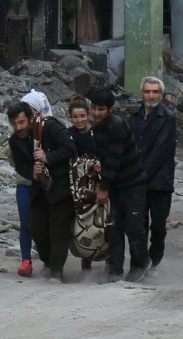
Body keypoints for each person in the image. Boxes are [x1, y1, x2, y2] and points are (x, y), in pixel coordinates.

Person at [7, 99, 76, 283]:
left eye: (21, 122)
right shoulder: (15, 141)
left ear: (31, 118)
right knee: (37, 229)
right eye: (15, 124)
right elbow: (20, 166)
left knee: (58, 231)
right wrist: (34, 174)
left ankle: (56, 271)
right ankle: (47, 261)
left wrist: (48, 157)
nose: (19, 127)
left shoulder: (49, 127)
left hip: (60, 188)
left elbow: (69, 147)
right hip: (38, 190)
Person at [87, 87, 149, 283]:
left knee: (134, 227)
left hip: (132, 185)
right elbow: (103, 158)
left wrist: (103, 187)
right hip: (114, 185)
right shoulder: (96, 129)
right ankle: (115, 270)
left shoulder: (117, 126)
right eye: (95, 108)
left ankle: (140, 265)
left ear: (110, 109)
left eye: (101, 109)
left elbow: (114, 160)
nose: (97, 113)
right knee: (112, 229)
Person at [130, 76, 176, 271]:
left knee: (157, 226)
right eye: (148, 91)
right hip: (137, 181)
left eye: (155, 92)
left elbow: (160, 152)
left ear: (161, 95)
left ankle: (154, 259)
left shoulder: (167, 118)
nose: (151, 95)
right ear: (142, 93)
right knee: (138, 226)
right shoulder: (134, 117)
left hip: (159, 182)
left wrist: (140, 175)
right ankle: (140, 264)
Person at [67, 96, 103, 275]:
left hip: (98, 182)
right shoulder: (69, 135)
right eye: (75, 117)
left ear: (88, 115)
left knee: (103, 219)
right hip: (78, 185)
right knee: (83, 219)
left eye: (82, 116)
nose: (79, 120)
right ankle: (86, 257)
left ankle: (110, 258)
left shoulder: (98, 133)